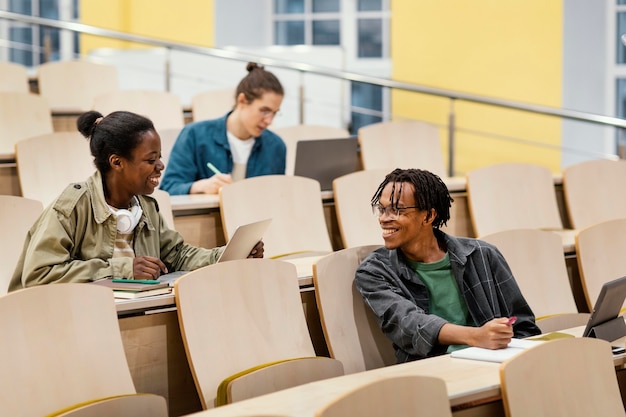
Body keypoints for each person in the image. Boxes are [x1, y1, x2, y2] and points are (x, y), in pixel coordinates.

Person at [9, 110, 263, 291]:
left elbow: (177, 255)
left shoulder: (146, 206)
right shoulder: (72, 206)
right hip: (66, 320)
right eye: (150, 160)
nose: (161, 166)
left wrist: (228, 255)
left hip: (121, 312)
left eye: (159, 157)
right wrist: (123, 269)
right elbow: (39, 275)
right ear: (117, 162)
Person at [355, 168, 540, 362]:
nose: (384, 219)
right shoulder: (374, 272)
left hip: (495, 364)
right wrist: (477, 336)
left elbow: (524, 326)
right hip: (429, 371)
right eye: (382, 209)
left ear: (428, 216)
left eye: (396, 210)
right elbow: (408, 324)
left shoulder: (483, 254)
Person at [160, 62, 286, 195]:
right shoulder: (194, 135)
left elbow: (277, 197)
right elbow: (169, 189)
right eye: (264, 111)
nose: (269, 121)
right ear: (242, 100)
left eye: (275, 113)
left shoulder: (276, 146)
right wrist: (199, 186)